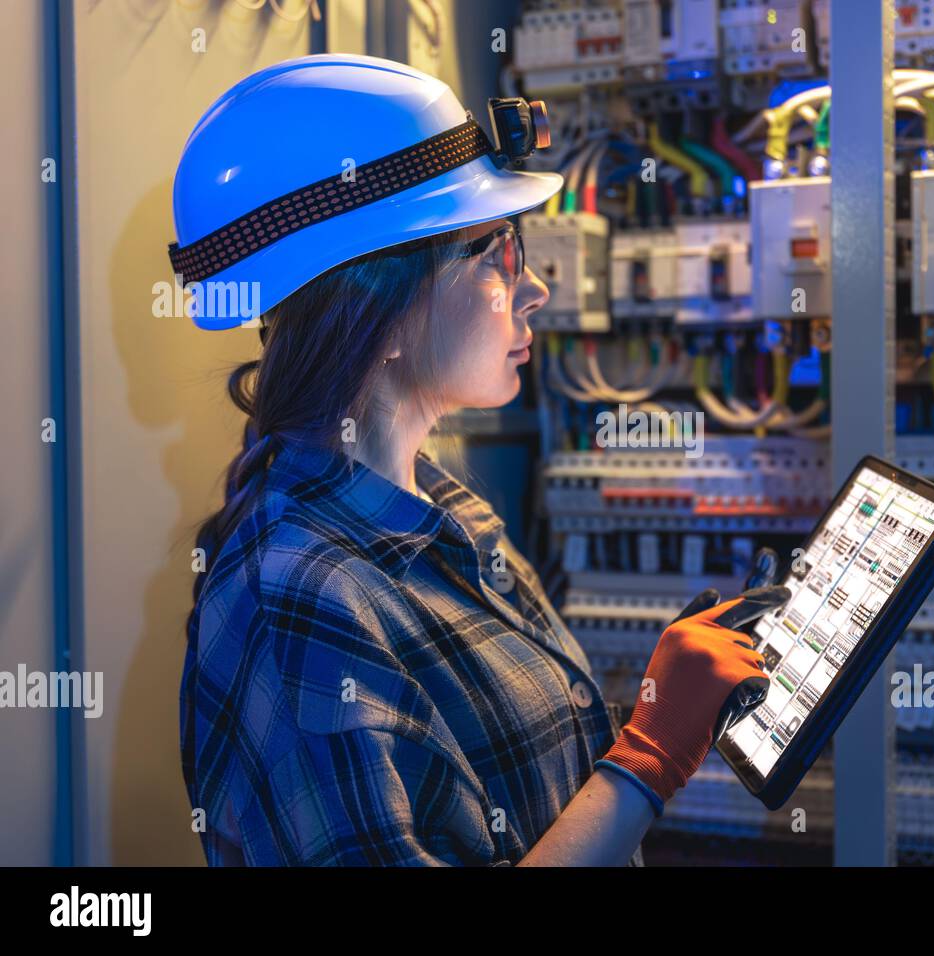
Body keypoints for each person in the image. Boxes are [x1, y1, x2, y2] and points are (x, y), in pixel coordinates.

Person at [173, 54, 788, 866]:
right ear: (379, 311)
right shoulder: (296, 603)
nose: (532, 289)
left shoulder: (444, 510)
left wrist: (662, 705)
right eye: (498, 252)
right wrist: (651, 753)